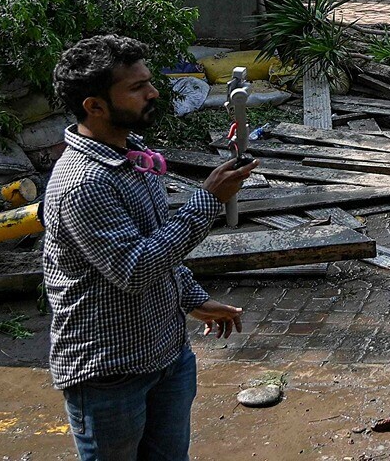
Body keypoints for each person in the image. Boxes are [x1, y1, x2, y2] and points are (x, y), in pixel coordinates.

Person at [43, 35, 254, 461]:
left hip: (168, 357)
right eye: (137, 87)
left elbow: (157, 242)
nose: (153, 93)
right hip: (110, 375)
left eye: (149, 82)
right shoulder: (83, 184)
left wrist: (194, 300)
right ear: (95, 106)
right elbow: (135, 268)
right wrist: (208, 199)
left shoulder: (134, 154)